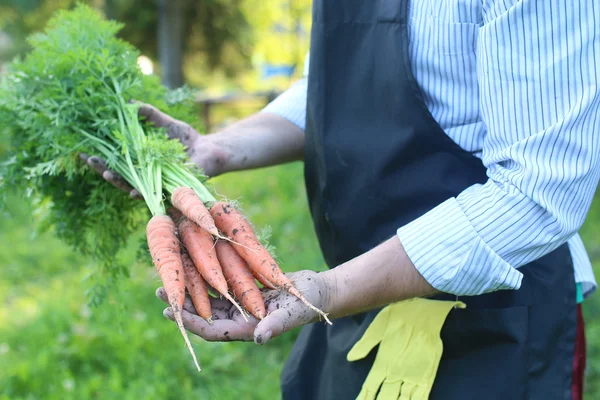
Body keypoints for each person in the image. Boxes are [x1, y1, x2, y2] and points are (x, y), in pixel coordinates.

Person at [86, 0, 600, 398]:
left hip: (501, 317)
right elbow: (335, 87)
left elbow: (540, 188)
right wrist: (218, 148)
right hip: (359, 297)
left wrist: (327, 291)